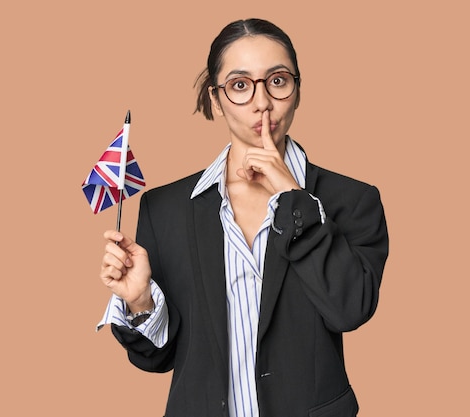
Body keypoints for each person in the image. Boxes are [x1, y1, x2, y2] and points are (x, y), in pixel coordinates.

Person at [98, 18, 389, 417]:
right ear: (216, 101)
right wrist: (140, 300)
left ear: (297, 92)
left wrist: (294, 197)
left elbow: (350, 310)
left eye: (278, 80)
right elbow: (155, 359)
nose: (262, 102)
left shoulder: (352, 200)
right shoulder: (164, 209)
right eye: (239, 85)